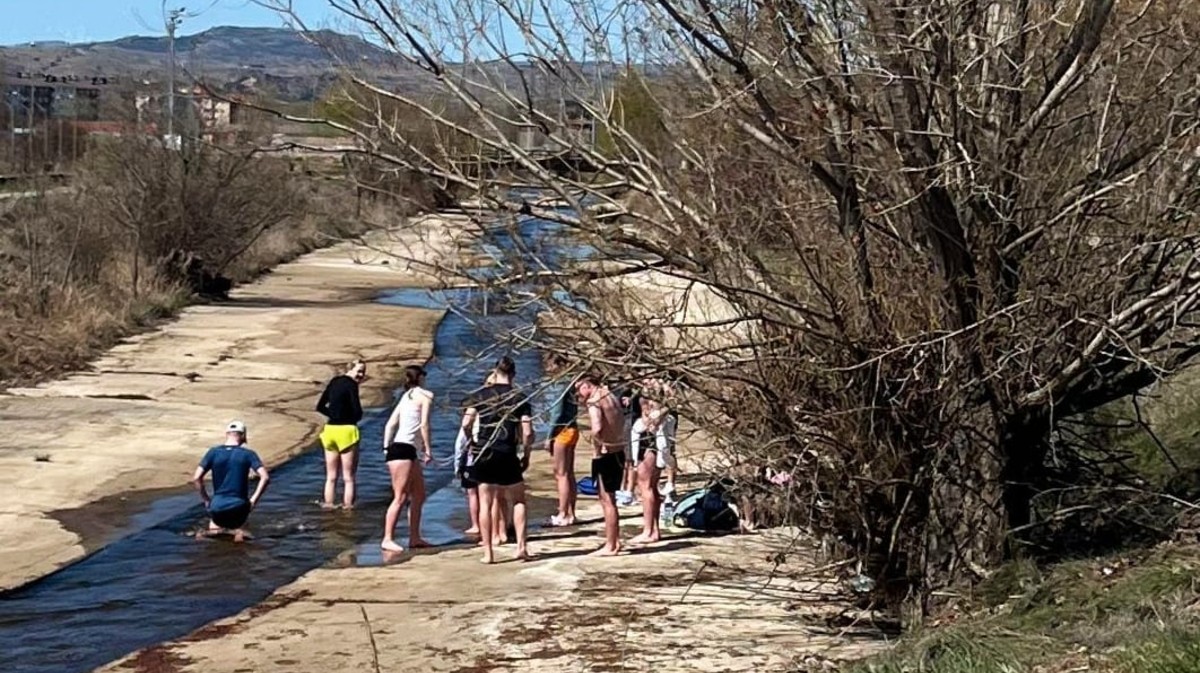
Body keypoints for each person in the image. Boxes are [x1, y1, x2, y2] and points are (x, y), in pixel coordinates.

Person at [461, 356, 534, 563]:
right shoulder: (519, 397)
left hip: (485, 450)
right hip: (507, 452)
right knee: (518, 499)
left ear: (495, 372)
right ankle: (521, 547)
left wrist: (471, 441)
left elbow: (466, 423)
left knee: (485, 502)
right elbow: (528, 432)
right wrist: (526, 453)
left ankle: (489, 553)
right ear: (513, 374)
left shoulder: (481, 395)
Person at [380, 364, 434, 552]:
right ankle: (387, 538)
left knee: (419, 494)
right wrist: (428, 449)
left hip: (402, 449)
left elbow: (390, 425)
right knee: (400, 497)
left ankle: (414, 537)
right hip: (403, 450)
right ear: (421, 378)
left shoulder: (406, 396)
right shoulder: (426, 396)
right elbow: (424, 424)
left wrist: (386, 448)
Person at [575, 374, 628, 556]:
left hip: (606, 454)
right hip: (619, 450)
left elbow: (597, 428)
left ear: (588, 385)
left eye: (579, 389)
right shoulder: (610, 395)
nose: (578, 394)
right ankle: (615, 541)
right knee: (611, 499)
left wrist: (597, 447)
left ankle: (610, 545)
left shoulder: (594, 401)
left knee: (607, 501)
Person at [191, 420, 270, 542]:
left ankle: (203, 537)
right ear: (243, 436)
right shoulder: (248, 454)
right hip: (238, 506)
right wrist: (253, 500)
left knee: (215, 535)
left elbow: (196, 478)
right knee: (242, 537)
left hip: (217, 506)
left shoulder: (213, 453)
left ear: (226, 434)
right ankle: (239, 539)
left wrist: (206, 500)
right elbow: (265, 477)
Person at [629, 382, 677, 544]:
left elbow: (653, 418)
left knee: (646, 486)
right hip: (654, 441)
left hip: (649, 442)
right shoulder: (662, 393)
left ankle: (648, 530)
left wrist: (651, 416)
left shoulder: (654, 393)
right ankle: (654, 529)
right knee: (652, 487)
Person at [315, 359, 366, 509]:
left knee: (331, 477)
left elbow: (320, 406)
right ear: (350, 369)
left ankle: (328, 506)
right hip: (347, 431)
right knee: (348, 477)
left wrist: (334, 415)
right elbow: (357, 410)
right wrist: (350, 418)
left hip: (330, 430)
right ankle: (348, 509)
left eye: (363, 372)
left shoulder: (334, 381)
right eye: (359, 371)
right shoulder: (352, 385)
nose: (361, 375)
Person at [544, 354, 580, 527]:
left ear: (558, 364)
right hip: (573, 428)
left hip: (562, 431)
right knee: (569, 473)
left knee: (561, 474)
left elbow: (556, 413)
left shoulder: (561, 384)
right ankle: (571, 512)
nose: (547, 368)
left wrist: (549, 437)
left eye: (549, 365)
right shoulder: (571, 382)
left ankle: (563, 513)